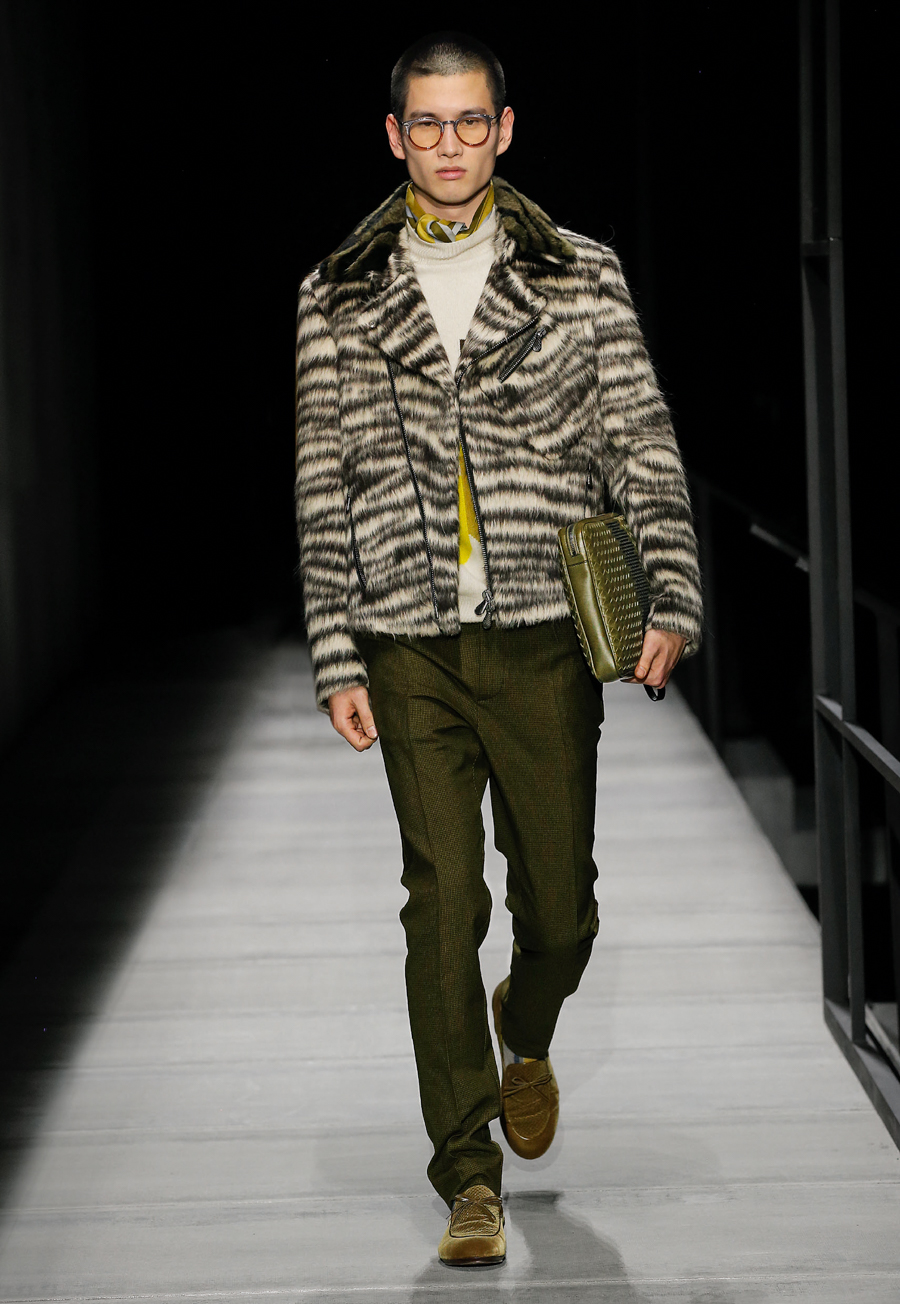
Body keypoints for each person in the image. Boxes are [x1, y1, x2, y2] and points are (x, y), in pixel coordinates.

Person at [294, 30, 702, 1268]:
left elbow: (639, 437)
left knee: (561, 909)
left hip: (542, 632)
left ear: (505, 129)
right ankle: (469, 1173)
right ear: (395, 136)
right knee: (440, 903)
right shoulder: (338, 291)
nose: (450, 144)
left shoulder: (576, 274)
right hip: (407, 636)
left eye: (471, 121)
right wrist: (337, 649)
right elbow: (321, 481)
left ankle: (526, 1026)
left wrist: (672, 590)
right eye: (427, 124)